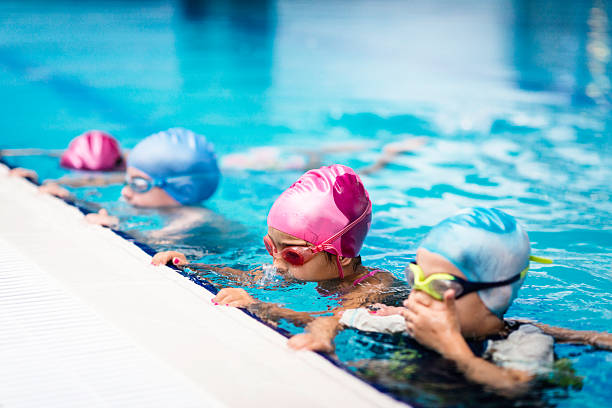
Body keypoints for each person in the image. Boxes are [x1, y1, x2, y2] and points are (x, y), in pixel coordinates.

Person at [339, 207, 612, 395]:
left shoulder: (525, 341)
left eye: (439, 286)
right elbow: (335, 319)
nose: (416, 297)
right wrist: (320, 330)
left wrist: (451, 346)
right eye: (415, 278)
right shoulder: (409, 320)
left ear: (496, 294)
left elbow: (514, 387)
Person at [152, 164, 406, 352]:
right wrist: (189, 266)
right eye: (271, 248)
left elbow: (330, 320)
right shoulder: (304, 271)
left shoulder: (374, 285)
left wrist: (255, 305)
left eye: (292, 255)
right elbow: (250, 278)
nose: (277, 264)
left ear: (343, 256)